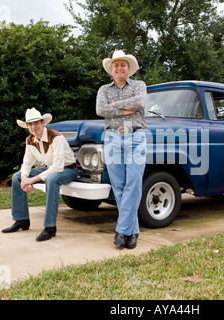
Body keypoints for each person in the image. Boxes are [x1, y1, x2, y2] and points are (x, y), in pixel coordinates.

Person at [2, 107, 78, 241]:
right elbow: (26, 164)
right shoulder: (30, 140)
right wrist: (25, 178)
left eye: (36, 123)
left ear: (42, 122)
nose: (33, 127)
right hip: (50, 168)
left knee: (52, 179)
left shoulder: (56, 137)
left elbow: (58, 167)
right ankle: (21, 220)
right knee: (17, 177)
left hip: (67, 169)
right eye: (30, 124)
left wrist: (32, 180)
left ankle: (50, 228)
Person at [96, 50, 147, 249]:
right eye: (116, 65)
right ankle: (132, 231)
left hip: (136, 136)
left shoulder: (139, 85)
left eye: (122, 65)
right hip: (113, 137)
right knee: (119, 186)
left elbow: (140, 102)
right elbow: (101, 110)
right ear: (111, 69)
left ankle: (121, 231)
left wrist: (115, 106)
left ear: (128, 68)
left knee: (133, 184)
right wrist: (127, 108)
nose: (119, 68)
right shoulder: (103, 89)